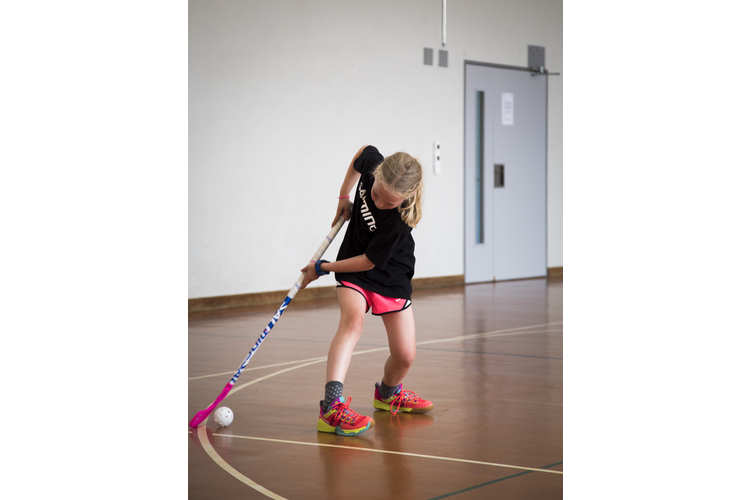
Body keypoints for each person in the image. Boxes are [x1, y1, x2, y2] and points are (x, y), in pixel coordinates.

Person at [300, 145, 434, 436]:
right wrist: (344, 196)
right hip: (355, 269)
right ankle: (332, 408)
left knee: (405, 355)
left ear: (406, 198)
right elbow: (362, 153)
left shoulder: (398, 222)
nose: (379, 203)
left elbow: (371, 260)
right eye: (375, 194)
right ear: (376, 174)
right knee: (352, 323)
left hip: (389, 274)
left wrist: (323, 267)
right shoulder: (374, 163)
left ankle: (387, 393)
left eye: (388, 203)